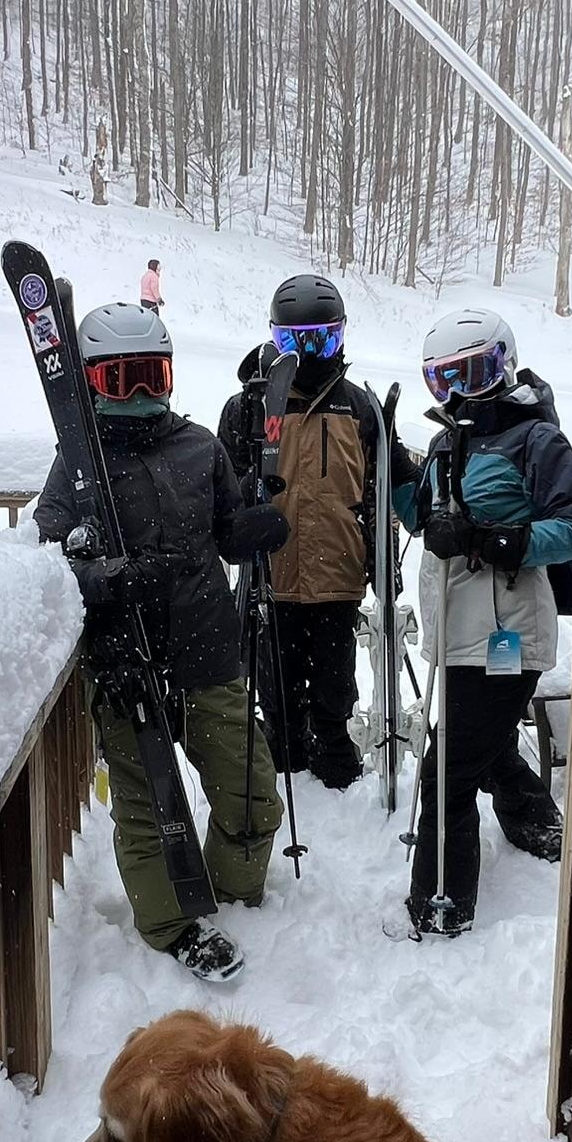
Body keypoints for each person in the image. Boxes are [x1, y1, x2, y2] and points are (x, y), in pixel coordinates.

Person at [35, 301, 287, 985]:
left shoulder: (200, 446)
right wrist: (102, 577)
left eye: (154, 374)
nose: (143, 392)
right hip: (125, 664)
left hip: (208, 650)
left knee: (252, 794)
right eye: (123, 380)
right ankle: (173, 924)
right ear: (91, 383)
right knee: (147, 808)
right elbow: (47, 559)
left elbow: (227, 530)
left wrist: (256, 526)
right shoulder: (76, 468)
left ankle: (234, 896)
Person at [390, 307, 572, 939]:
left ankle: (441, 902)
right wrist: (391, 466)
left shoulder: (536, 440)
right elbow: (422, 519)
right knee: (485, 739)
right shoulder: (449, 441)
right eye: (441, 380)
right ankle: (534, 819)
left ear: (501, 366)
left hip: (507, 632)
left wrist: (494, 539)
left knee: (446, 769)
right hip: (459, 630)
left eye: (471, 374)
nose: (456, 393)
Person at [218, 274, 415, 789]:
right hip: (272, 577)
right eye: (293, 340)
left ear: (341, 336)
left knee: (334, 689)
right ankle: (284, 770)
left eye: (321, 339)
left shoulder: (361, 409)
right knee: (278, 690)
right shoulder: (247, 410)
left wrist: (383, 555)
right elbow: (222, 495)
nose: (307, 353)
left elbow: (389, 486)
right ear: (274, 338)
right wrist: (248, 496)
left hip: (338, 572)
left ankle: (336, 774)